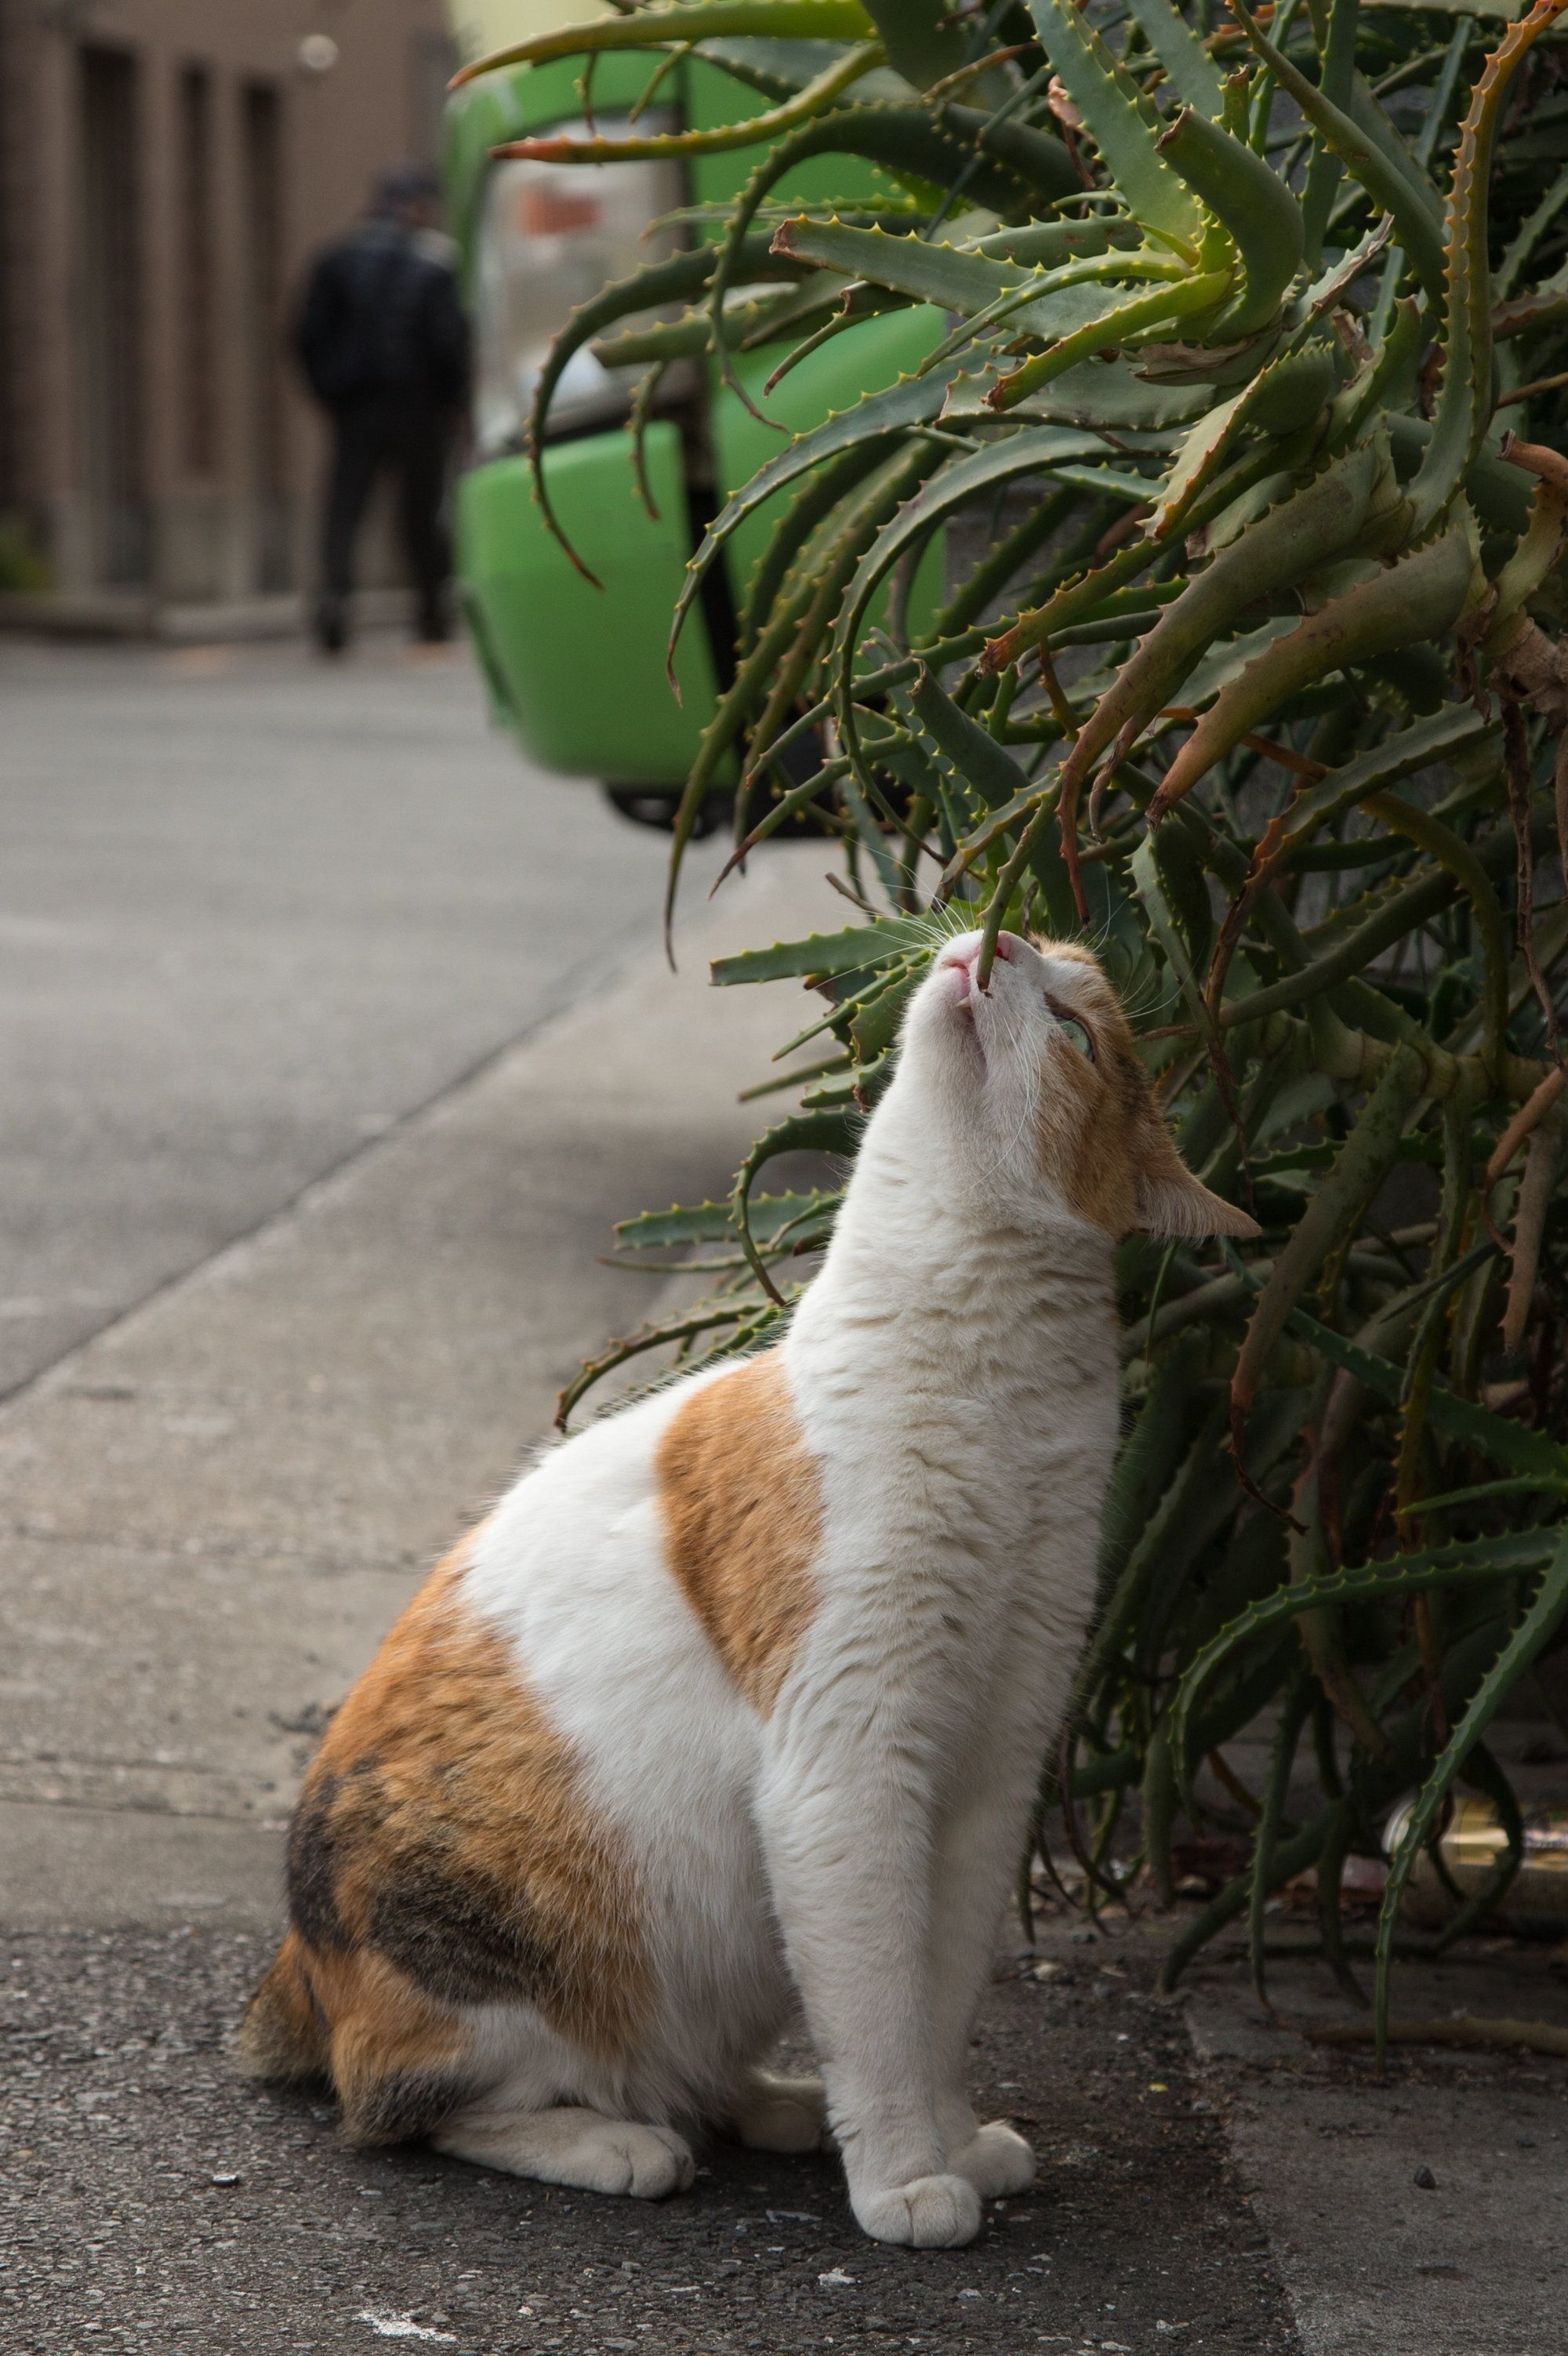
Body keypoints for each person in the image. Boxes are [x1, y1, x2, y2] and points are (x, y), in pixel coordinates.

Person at [293, 164, 470, 653]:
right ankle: (431, 609)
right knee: (420, 513)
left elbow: (308, 336)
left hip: (357, 408)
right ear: (418, 207)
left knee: (346, 510)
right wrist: (452, 402)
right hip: (420, 407)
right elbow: (451, 343)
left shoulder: (337, 259)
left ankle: (334, 602)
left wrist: (331, 393)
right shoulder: (435, 263)